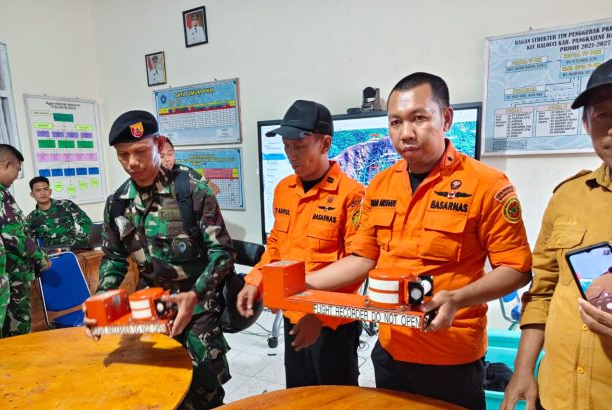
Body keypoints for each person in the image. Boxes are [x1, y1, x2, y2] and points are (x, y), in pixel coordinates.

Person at [305, 73, 532, 409]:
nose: (406, 133)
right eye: (396, 122)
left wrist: (457, 298)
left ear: (446, 119)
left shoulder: (487, 185)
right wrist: (302, 283)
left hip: (451, 356)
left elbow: (516, 269)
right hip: (391, 348)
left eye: (419, 118)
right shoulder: (380, 185)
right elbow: (362, 258)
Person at [83, 111, 235, 409]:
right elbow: (114, 258)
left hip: (197, 303)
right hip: (151, 307)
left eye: (140, 152)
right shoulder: (117, 204)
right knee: (158, 387)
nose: (132, 163)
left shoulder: (191, 191)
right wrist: (101, 301)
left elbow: (223, 253)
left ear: (159, 145)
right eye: (123, 155)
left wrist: (195, 295)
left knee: (204, 389)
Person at [501, 58, 612, 410]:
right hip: (556, 394)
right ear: (587, 123)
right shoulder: (568, 196)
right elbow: (543, 289)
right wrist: (523, 370)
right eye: (604, 115)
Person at [236, 99, 365, 387]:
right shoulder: (284, 189)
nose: (291, 155)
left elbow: (357, 264)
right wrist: (254, 281)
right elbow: (276, 246)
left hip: (333, 322)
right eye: (286, 147)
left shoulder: (352, 195)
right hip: (293, 314)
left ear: (324, 144)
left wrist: (321, 315)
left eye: (299, 146)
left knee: (336, 399)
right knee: (299, 393)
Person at [0, 144, 51, 338]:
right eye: (17, 170)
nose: (16, 176)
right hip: (11, 276)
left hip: (9, 274)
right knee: (18, 333)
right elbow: (13, 234)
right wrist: (40, 257)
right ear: (7, 165)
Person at [26, 176, 93, 248]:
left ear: (50, 191)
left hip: (74, 249)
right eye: (38, 190)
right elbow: (29, 243)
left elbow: (87, 223)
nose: (43, 193)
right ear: (32, 194)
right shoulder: (31, 218)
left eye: (45, 189)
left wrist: (78, 242)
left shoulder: (66, 205)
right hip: (52, 253)